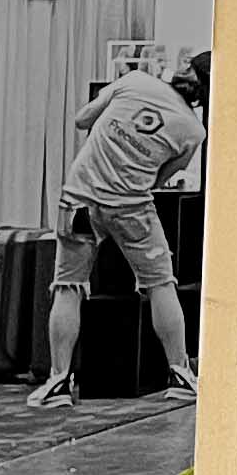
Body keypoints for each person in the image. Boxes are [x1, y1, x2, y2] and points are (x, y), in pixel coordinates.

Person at [35, 53, 206, 408]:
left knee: (68, 286)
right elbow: (160, 178)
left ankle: (58, 382)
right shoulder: (193, 132)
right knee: (161, 284)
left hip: (79, 201)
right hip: (132, 210)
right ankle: (179, 374)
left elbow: (82, 119)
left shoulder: (134, 81)